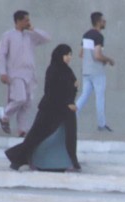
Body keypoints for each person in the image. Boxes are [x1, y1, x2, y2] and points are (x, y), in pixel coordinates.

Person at [5, 44, 80, 172]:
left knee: (71, 134)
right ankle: (16, 159)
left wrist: (74, 90)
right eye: (67, 54)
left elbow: (71, 89)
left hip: (64, 110)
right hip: (49, 110)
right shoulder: (52, 70)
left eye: (70, 55)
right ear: (60, 55)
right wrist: (67, 103)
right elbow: (51, 92)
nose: (69, 57)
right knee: (35, 137)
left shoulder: (67, 71)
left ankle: (73, 161)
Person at [0, 10, 51, 136]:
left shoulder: (30, 36)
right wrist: (2, 72)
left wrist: (33, 29)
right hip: (15, 73)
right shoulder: (8, 35)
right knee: (20, 98)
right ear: (18, 21)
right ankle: (4, 116)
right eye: (26, 20)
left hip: (30, 74)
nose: (28, 22)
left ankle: (22, 129)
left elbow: (47, 38)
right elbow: (1, 55)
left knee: (27, 103)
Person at [75, 12, 115, 132]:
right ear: (98, 22)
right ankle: (101, 124)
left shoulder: (86, 34)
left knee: (84, 95)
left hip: (86, 71)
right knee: (100, 97)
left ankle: (71, 116)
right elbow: (97, 55)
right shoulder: (98, 36)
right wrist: (108, 60)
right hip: (97, 72)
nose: (105, 22)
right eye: (103, 20)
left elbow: (81, 54)